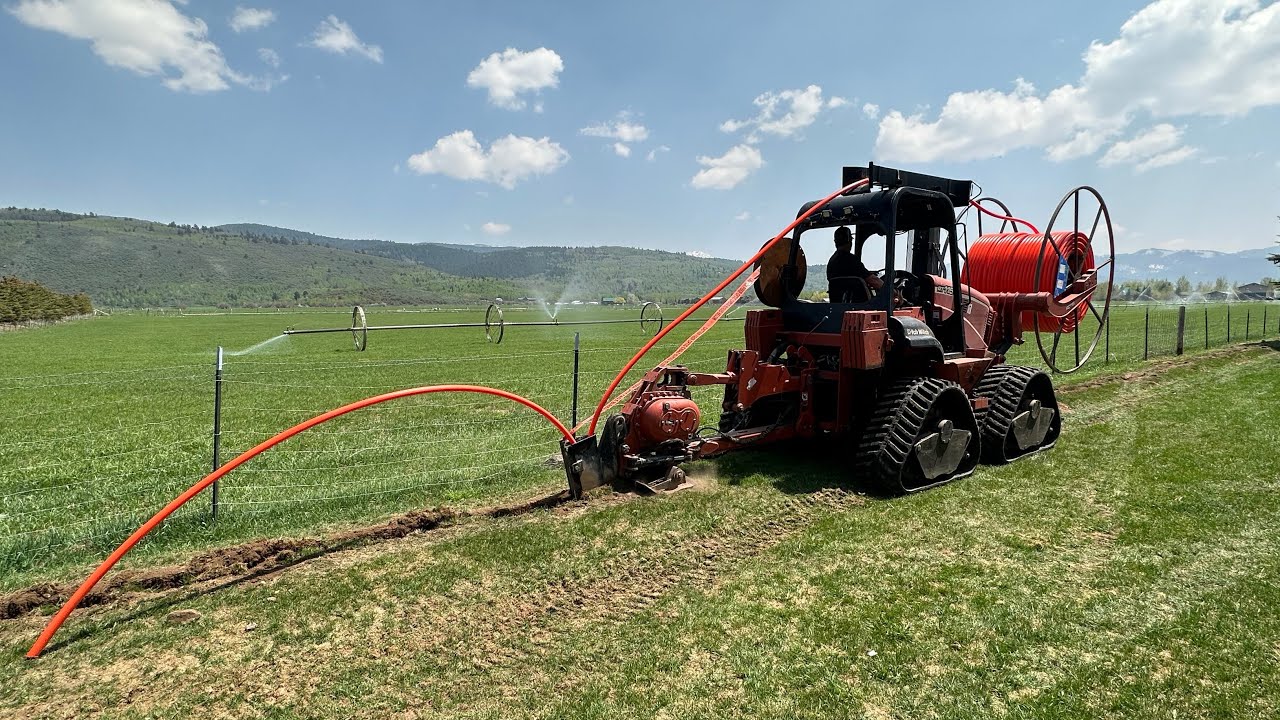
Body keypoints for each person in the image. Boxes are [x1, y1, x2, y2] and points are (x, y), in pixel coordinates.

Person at [827, 226, 883, 302]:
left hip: (838, 306)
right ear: (849, 240)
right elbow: (873, 280)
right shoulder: (851, 260)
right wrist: (893, 291)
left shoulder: (832, 262)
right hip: (861, 306)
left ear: (835, 242)